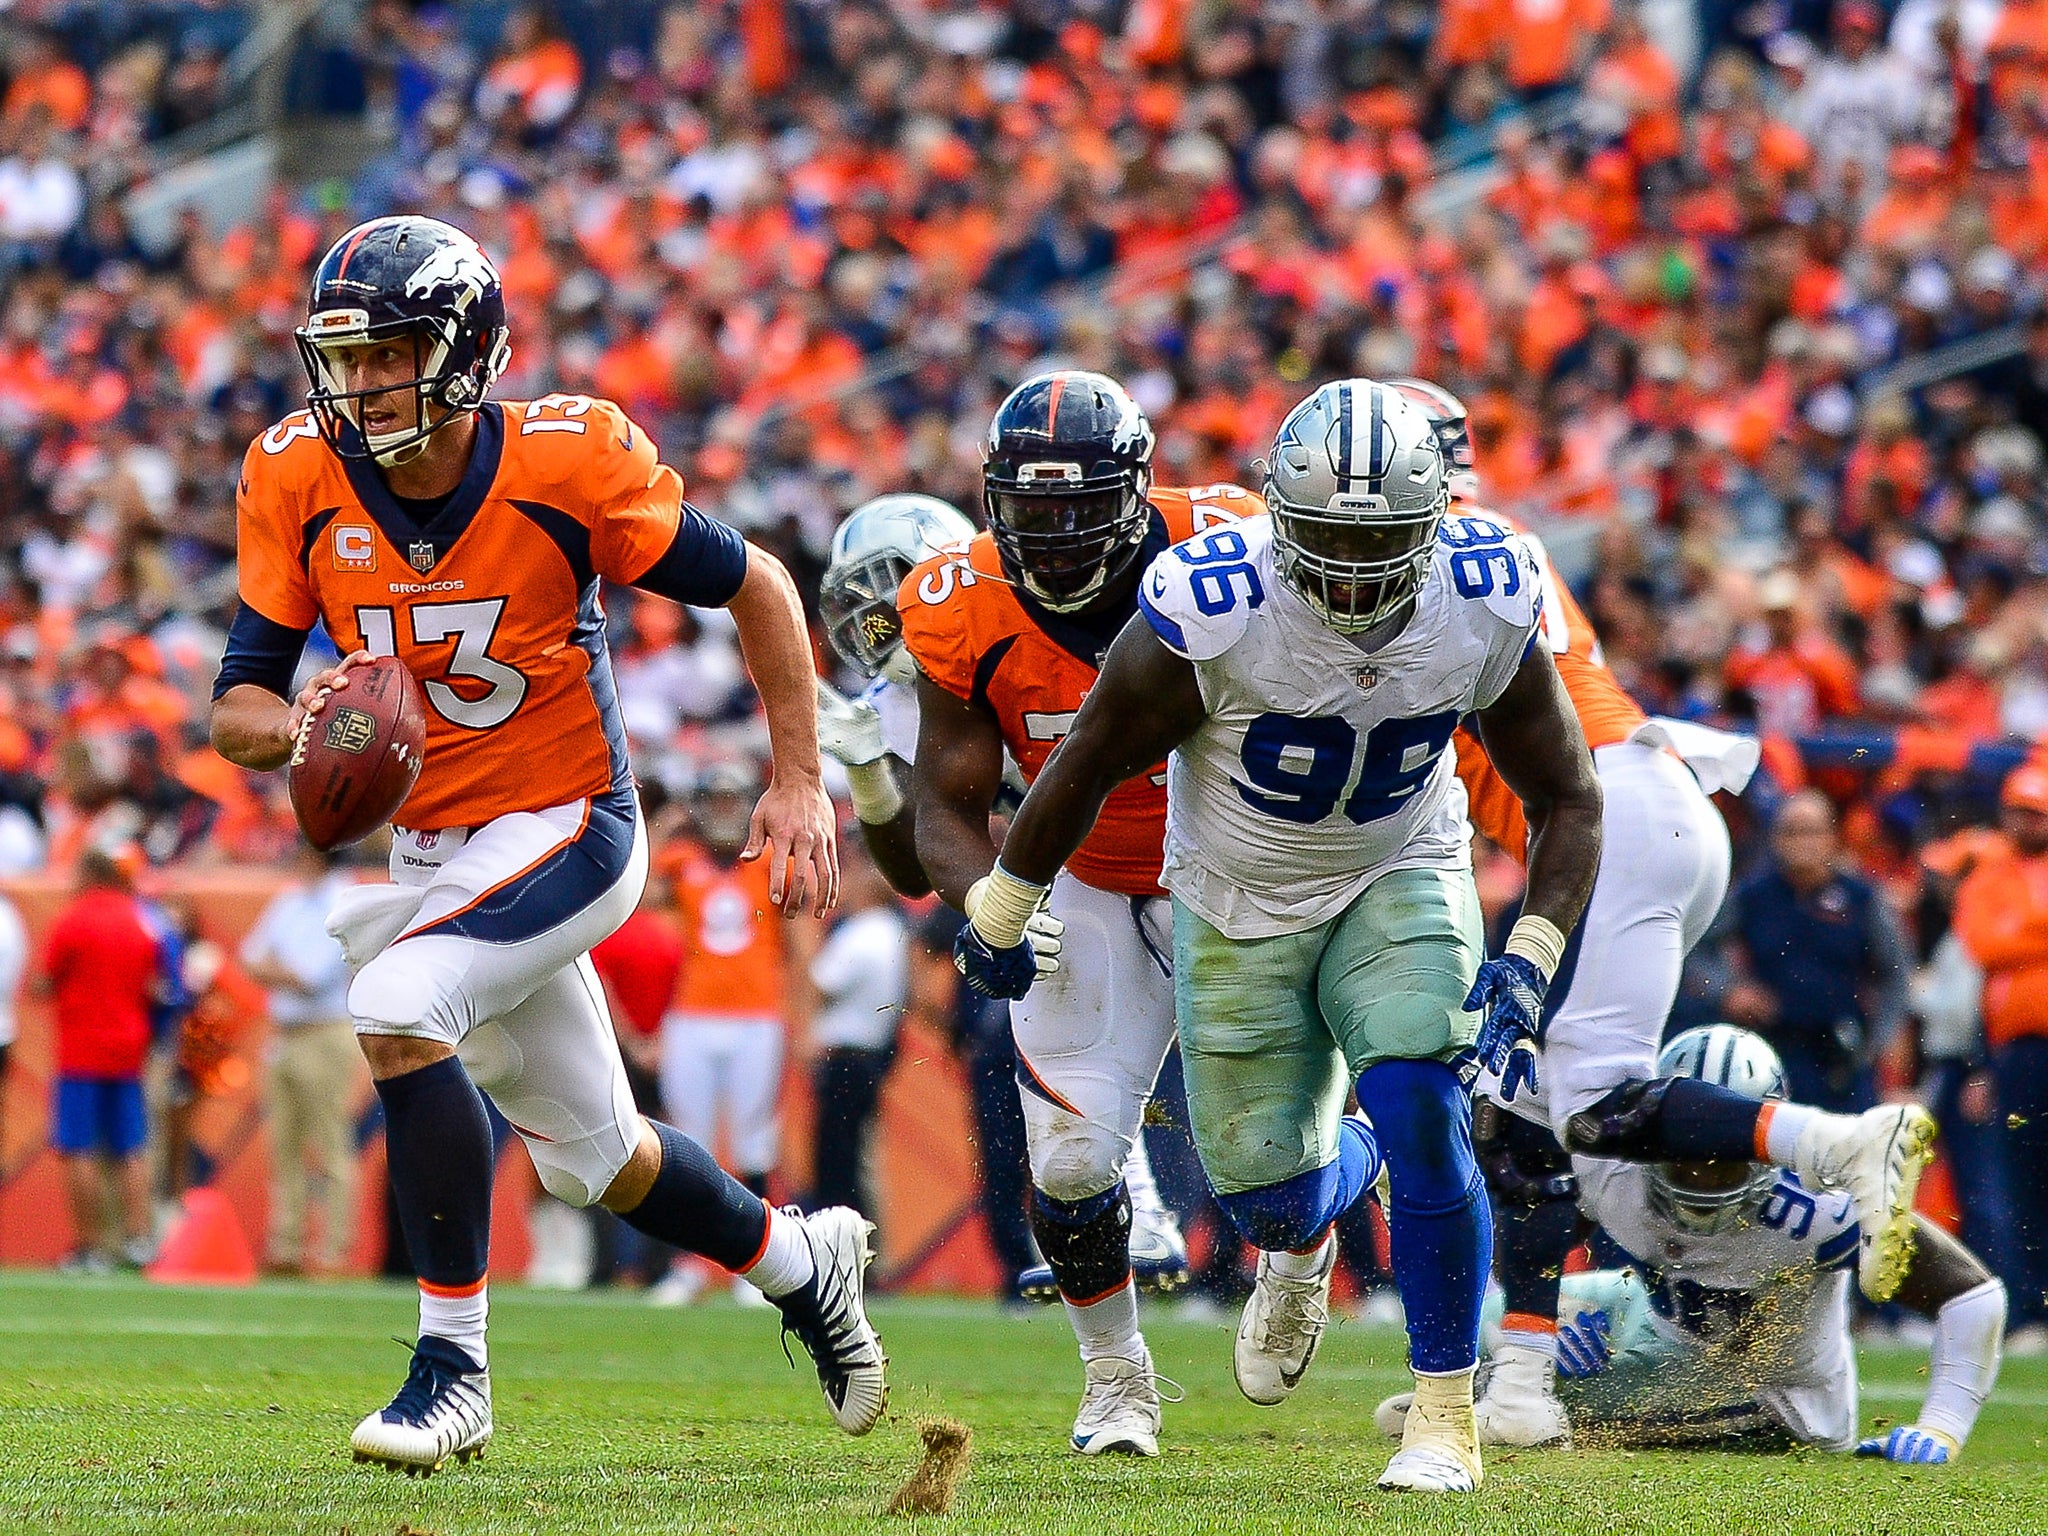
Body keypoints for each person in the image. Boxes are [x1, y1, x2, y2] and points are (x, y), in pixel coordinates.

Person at [207, 214, 880, 1477]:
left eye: (390, 354)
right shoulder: (294, 471)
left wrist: (798, 779)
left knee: (400, 999)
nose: (360, 386)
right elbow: (237, 699)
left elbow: (761, 586)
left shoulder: (567, 460)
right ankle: (804, 1266)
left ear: (463, 354)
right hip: (432, 849)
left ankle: (449, 1368)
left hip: (570, 821)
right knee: (600, 1163)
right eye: (343, 359)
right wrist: (299, 717)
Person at [965, 379, 1608, 1492]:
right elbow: (1086, 759)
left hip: (1398, 870)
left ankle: (1443, 1413)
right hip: (1231, 900)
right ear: (1274, 515)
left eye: (1383, 544)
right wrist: (1005, 901)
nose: (1353, 574)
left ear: (1436, 523)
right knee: (1266, 1195)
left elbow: (1569, 794)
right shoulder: (1211, 601)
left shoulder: (1487, 591)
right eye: (1325, 541)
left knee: (1423, 1096)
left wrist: (1532, 954)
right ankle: (1306, 1237)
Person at [1400, 377, 1935, 1448]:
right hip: (1642, 809)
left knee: (1592, 1102)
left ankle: (1838, 1143)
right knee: (1521, 1108)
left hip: (1613, 817)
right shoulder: (1489, 540)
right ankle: (1518, 1389)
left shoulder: (1433, 560)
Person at [901, 371, 1259, 1456]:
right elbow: (944, 810)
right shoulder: (960, 600)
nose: (1050, 538)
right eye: (1029, 509)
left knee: (1267, 1157)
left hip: (1247, 876)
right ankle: (1117, 1381)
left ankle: (1298, 1261)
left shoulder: (1229, 551)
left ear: (1136, 493)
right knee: (1066, 1163)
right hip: (1089, 880)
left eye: (1077, 508)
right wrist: (984, 905)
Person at [816, 489, 1190, 1303]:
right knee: (1051, 1044)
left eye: (898, 588)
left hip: (1169, 854)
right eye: (868, 604)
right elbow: (916, 870)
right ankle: (1109, 1223)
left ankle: (1173, 1222)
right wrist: (869, 775)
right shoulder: (897, 700)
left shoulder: (1020, 642)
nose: (886, 622)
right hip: (1059, 885)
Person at [1378, 1026, 2006, 1464]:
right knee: (1488, 1321)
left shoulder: (1814, 1212)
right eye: (1683, 1152)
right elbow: (1531, 1239)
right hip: (1657, 1328)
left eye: (1723, 1157)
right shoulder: (1613, 1171)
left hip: (1775, 1395)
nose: (1702, 1174)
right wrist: (1535, 1336)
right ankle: (1473, 1395)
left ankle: (1500, 1412)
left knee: (1578, 1420)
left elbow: (1971, 1294)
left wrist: (1942, 1425)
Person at [651, 758, 802, 1307]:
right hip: (691, 1016)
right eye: (712, 800)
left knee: (751, 1142)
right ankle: (688, 1264)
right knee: (687, 1143)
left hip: (756, 1016)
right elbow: (635, 892)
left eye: (730, 801)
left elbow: (798, 935)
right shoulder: (681, 859)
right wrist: (665, 827)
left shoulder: (765, 863)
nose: (722, 811)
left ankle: (752, 1265)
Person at [1715, 790, 1912, 1111]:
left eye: (1811, 831)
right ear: (1775, 838)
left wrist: (1877, 1040)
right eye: (1791, 831)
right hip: (1771, 1054)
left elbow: (1898, 972)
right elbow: (1699, 946)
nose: (1801, 841)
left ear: (1832, 837)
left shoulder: (1861, 898)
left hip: (1841, 1060)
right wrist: (1729, 989)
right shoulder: (1754, 895)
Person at [1951, 763, 2048, 1343]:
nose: (2025, 822)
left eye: (2035, 813)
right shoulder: (1988, 876)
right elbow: (1985, 943)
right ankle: (2033, 1309)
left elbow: (2009, 939)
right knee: (2022, 1177)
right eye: (2018, 811)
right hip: (2019, 1051)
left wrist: (2026, 931)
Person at [39, 846, 162, 1271]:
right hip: (128, 1049)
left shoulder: (73, 920)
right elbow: (159, 978)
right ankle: (139, 1239)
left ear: (89, 873)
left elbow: (45, 978)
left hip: (80, 1051)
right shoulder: (139, 919)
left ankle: (90, 1246)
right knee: (132, 1149)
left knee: (79, 1150)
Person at [241, 844, 362, 1276]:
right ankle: (287, 1246)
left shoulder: (342, 902)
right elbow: (249, 958)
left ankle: (333, 1250)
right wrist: (279, 970)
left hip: (326, 1032)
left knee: (330, 1144)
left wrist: (274, 969)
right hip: (287, 1033)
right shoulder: (291, 900)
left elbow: (309, 978)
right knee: (285, 1146)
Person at [807, 834, 906, 1224]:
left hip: (848, 1061)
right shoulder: (888, 929)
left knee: (837, 1162)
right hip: (867, 1059)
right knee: (850, 1159)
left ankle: (844, 1239)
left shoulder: (864, 931)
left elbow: (819, 984)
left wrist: (800, 939)